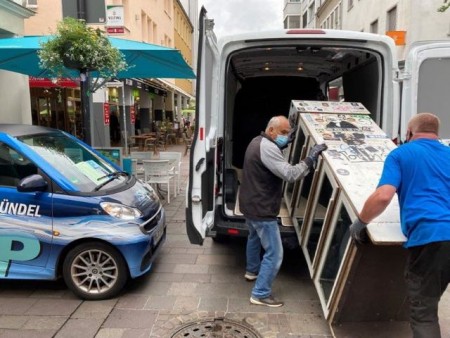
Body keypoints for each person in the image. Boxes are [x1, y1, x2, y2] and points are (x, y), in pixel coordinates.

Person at [350, 113, 450, 338]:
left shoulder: (401, 154)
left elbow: (383, 196)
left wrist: (361, 222)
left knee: (424, 313)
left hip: (431, 237)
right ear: (436, 133)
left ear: (409, 133)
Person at [239, 115, 327, 307]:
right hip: (262, 208)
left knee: (253, 237)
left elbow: (270, 159)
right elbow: (290, 174)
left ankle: (252, 271)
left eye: (288, 133)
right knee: (275, 253)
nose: (286, 137)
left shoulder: (258, 140)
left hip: (249, 203)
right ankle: (260, 293)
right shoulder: (269, 148)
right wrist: (310, 158)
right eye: (283, 133)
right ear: (271, 131)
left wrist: (285, 142)